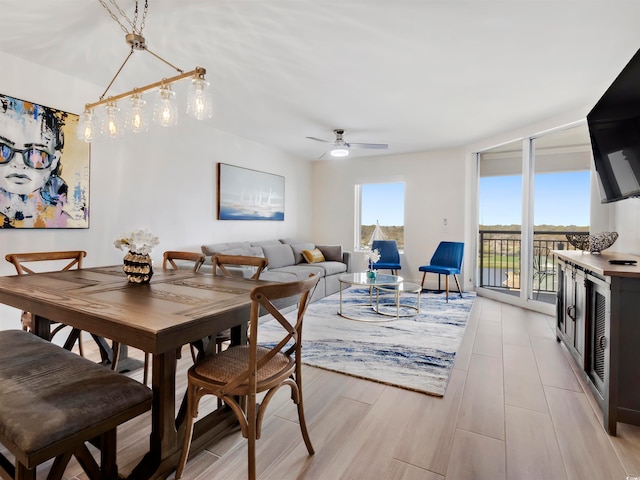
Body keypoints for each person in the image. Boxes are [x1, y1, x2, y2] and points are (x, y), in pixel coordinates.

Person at [0, 94, 71, 228]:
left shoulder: (64, 220)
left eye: (37, 155)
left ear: (54, 160)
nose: (19, 163)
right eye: (2, 150)